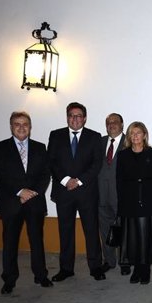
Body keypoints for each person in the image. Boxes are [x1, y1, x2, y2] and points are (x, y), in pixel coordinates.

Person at [0, 111, 52, 294]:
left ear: (30, 127)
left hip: (34, 202)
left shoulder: (40, 148)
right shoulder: (0, 147)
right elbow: (0, 175)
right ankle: (9, 279)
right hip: (11, 202)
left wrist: (32, 193)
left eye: (25, 124)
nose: (21, 127)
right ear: (11, 126)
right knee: (10, 242)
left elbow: (45, 174)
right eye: (17, 124)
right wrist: (20, 191)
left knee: (37, 240)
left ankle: (41, 275)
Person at [47, 102, 106, 281]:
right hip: (63, 191)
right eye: (71, 115)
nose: (75, 119)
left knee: (91, 230)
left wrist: (78, 181)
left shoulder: (94, 137)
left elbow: (97, 164)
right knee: (65, 231)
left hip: (86, 192)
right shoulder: (55, 135)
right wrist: (66, 180)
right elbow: (51, 161)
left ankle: (95, 267)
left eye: (78, 115)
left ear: (85, 118)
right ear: (67, 117)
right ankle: (66, 269)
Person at [116, 122, 152, 284]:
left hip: (149, 200)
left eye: (138, 133)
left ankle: (145, 269)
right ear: (129, 136)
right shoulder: (123, 155)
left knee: (145, 237)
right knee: (133, 237)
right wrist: (121, 204)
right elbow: (119, 181)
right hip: (129, 202)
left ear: (144, 135)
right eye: (132, 133)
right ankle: (136, 268)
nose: (135, 136)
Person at [98, 113, 130, 275]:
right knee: (105, 230)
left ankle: (125, 261)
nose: (112, 125)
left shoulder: (129, 142)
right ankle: (109, 261)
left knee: (124, 230)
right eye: (108, 123)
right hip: (101, 195)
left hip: (121, 196)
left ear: (122, 124)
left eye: (115, 122)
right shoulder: (100, 142)